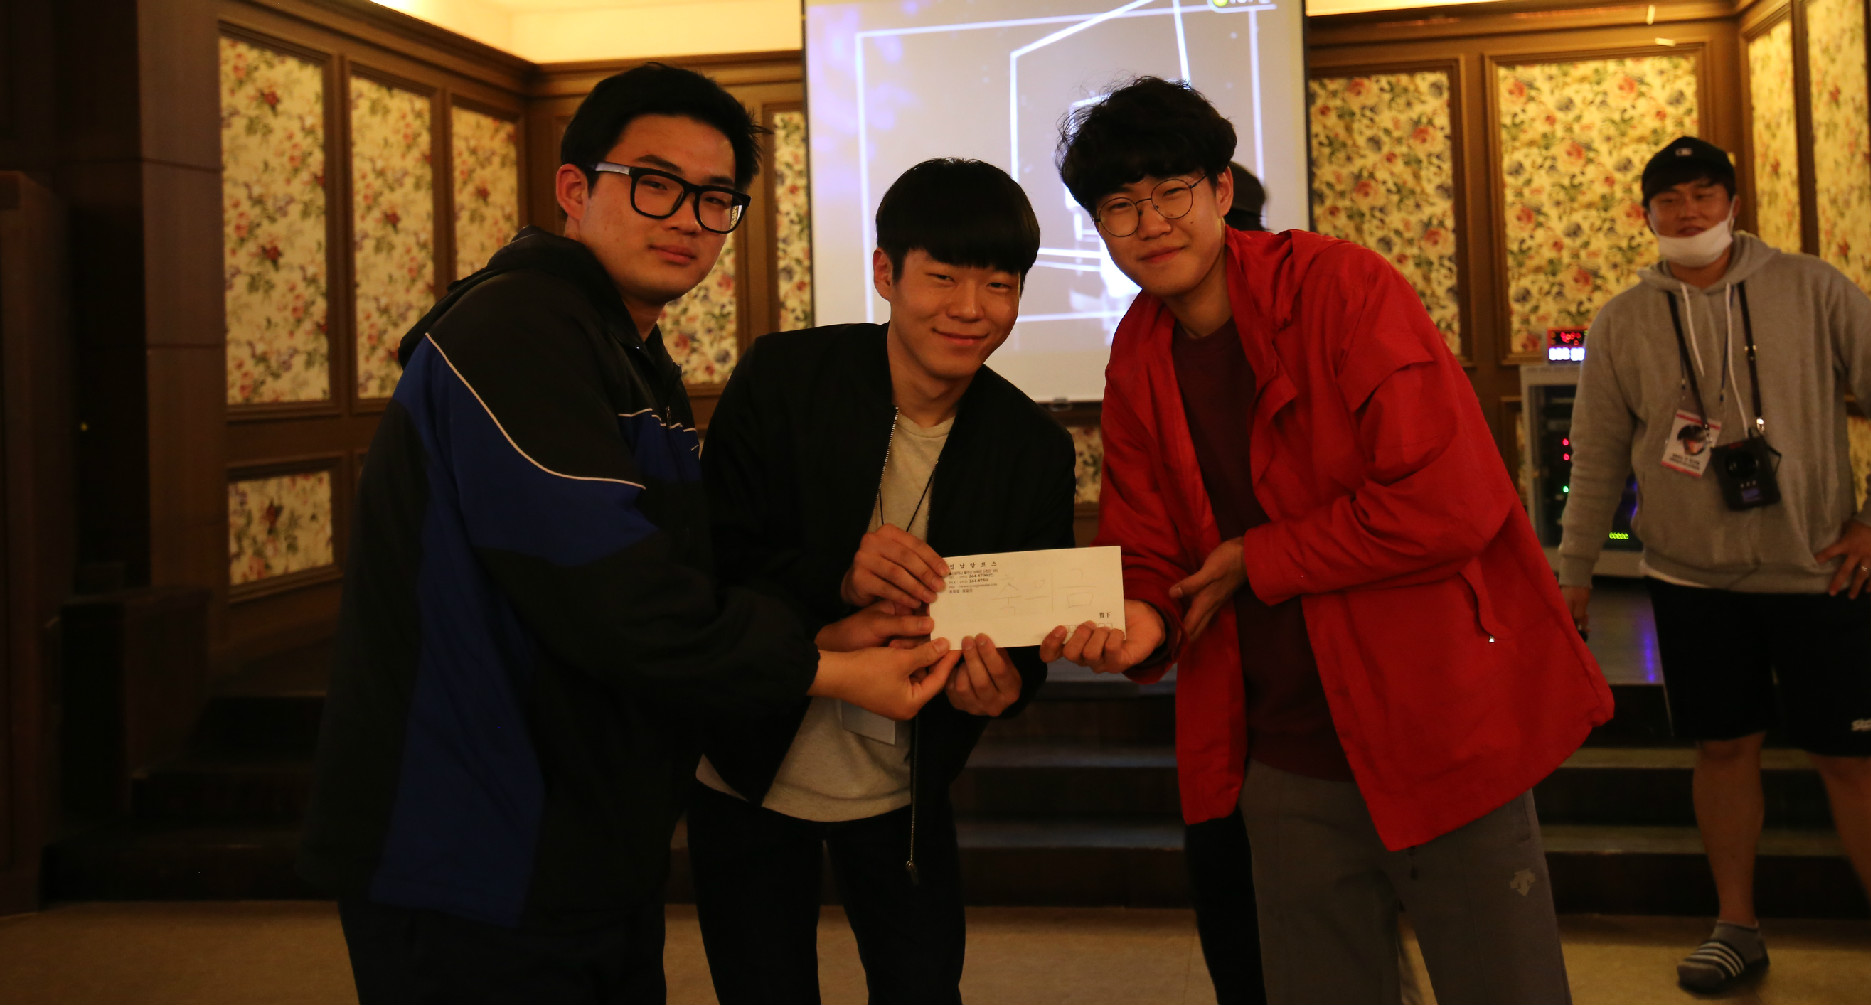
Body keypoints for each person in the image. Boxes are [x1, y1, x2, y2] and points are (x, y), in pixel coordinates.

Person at [299, 64, 958, 1005]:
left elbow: (670, 575)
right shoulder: (515, 330)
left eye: (716, 198)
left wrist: (818, 633)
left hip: (579, 833)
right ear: (575, 188)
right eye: (655, 183)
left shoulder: (622, 347)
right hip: (475, 842)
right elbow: (615, 595)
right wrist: (829, 670)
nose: (688, 217)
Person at [1048, 77, 1612, 1005]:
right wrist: (1143, 619)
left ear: (1221, 190)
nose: (1150, 223)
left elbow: (1451, 502)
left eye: (1172, 191)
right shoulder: (1138, 352)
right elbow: (1147, 546)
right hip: (1280, 752)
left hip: (1431, 725)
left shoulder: (1342, 287)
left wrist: (1259, 557)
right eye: (1120, 205)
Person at [1558, 135, 1871, 1005]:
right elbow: (1600, 451)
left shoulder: (1812, 287)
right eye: (1669, 200)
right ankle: (1736, 926)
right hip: (1689, 579)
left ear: (1733, 204)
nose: (1688, 212)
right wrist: (1573, 567)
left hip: (1819, 572)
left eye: (1704, 194)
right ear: (1646, 216)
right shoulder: (1624, 319)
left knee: (1853, 760)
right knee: (1722, 748)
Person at [688, 158, 1077, 1005]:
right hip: (746, 763)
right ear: (884, 273)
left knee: (922, 985)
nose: (970, 308)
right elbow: (708, 558)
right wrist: (836, 580)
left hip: (905, 785)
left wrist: (1007, 684)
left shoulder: (1032, 449)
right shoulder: (784, 378)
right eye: (942, 277)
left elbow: (1025, 626)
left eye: (999, 284)